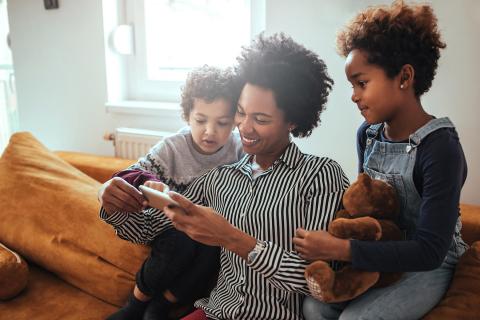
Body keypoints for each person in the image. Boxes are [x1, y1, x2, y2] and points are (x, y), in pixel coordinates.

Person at [101, 33, 350, 320]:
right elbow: (146, 230)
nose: (245, 127)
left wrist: (233, 239)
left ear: (293, 120)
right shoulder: (219, 178)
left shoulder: (320, 175)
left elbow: (321, 283)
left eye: (261, 119)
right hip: (214, 312)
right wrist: (114, 204)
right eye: (241, 114)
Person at [298, 1, 469, 319]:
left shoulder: (440, 148)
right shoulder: (368, 134)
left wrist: (341, 249)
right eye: (352, 85)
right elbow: (366, 206)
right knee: (312, 306)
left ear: (404, 77)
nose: (353, 95)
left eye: (361, 83)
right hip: (381, 249)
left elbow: (429, 250)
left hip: (428, 262)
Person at [98, 65, 244, 320]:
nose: (210, 131)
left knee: (215, 250)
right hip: (170, 229)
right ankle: (136, 303)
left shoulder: (239, 151)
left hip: (212, 232)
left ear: (234, 121)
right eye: (201, 121)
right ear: (187, 116)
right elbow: (131, 175)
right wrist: (145, 183)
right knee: (181, 242)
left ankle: (163, 305)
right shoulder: (172, 147)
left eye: (222, 123)